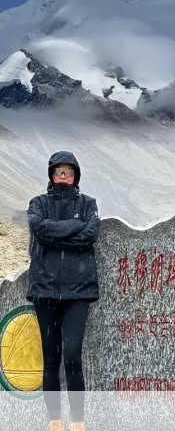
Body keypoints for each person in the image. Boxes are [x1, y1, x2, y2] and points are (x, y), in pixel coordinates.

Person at [26, 151, 100, 431]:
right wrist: (74, 228)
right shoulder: (38, 203)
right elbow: (39, 229)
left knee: (72, 355)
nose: (64, 175)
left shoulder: (89, 203)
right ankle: (54, 420)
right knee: (50, 357)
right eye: (59, 171)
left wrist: (56, 234)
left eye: (68, 171)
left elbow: (89, 236)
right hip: (45, 290)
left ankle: (78, 420)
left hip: (78, 292)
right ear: (51, 175)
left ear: (76, 175)